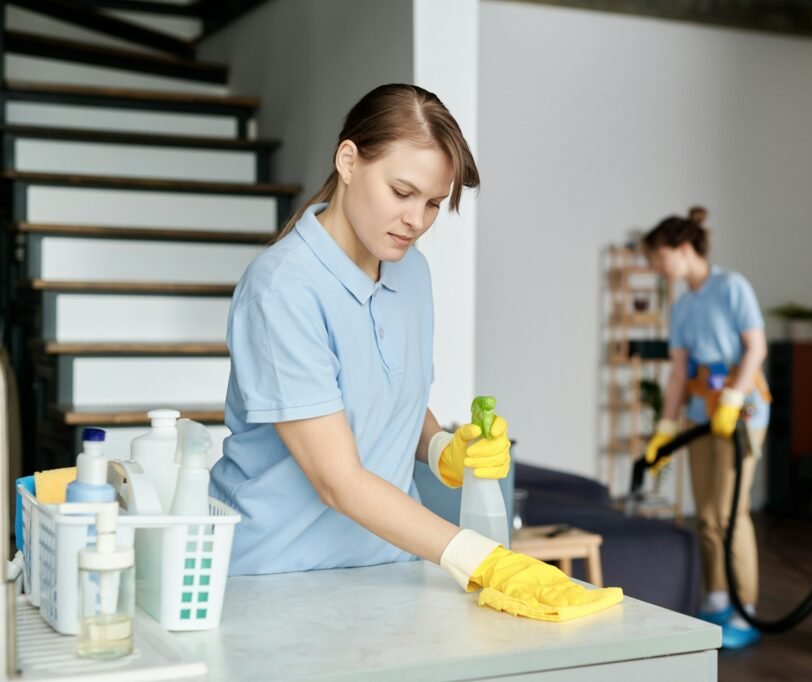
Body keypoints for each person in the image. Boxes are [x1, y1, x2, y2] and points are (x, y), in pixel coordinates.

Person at [211, 84, 621, 622]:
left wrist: (440, 447)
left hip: (390, 570)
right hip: (276, 578)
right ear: (349, 160)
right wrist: (486, 561)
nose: (416, 220)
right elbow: (337, 479)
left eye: (432, 203)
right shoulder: (283, 289)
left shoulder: (411, 271)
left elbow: (387, 397)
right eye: (401, 192)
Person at [642, 215, 770, 649]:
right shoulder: (681, 305)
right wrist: (664, 429)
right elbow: (679, 372)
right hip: (700, 415)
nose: (656, 268)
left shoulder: (732, 287)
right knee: (708, 515)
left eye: (658, 258)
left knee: (731, 514)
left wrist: (734, 397)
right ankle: (717, 598)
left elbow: (757, 348)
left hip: (743, 414)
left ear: (681, 249)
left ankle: (745, 609)